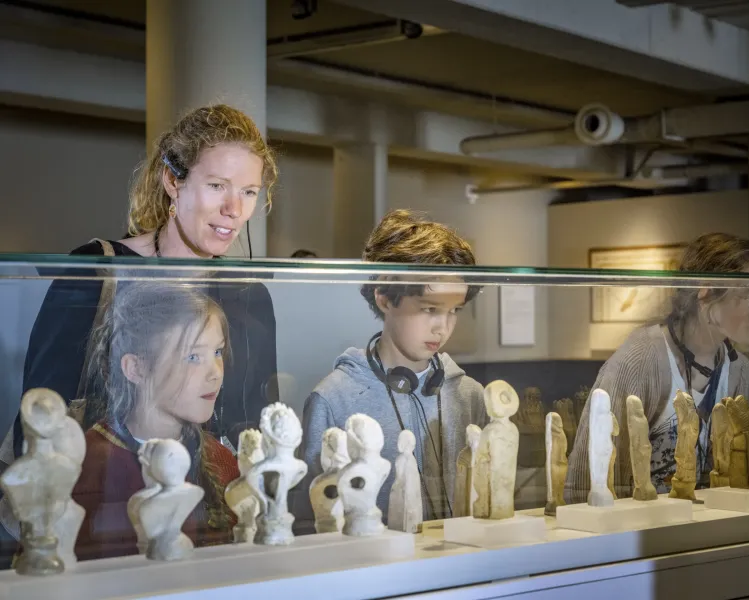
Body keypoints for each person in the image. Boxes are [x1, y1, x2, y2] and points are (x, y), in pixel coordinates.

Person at [12, 104, 279, 454]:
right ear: (173, 181)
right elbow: (41, 413)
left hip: (213, 499)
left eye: (249, 191)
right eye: (217, 185)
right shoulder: (98, 269)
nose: (235, 209)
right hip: (102, 492)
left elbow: (258, 430)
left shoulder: (248, 294)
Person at [297, 210, 487, 532]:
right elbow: (309, 519)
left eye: (454, 311)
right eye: (430, 309)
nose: (443, 327)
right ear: (385, 298)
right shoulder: (333, 399)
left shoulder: (470, 396)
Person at [565, 233, 749, 503]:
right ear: (706, 292)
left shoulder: (739, 370)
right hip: (643, 535)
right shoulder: (640, 361)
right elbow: (585, 482)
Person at [72, 283, 238, 560]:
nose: (215, 373)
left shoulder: (219, 459)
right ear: (136, 368)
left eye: (218, 352)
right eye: (193, 357)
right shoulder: (88, 466)